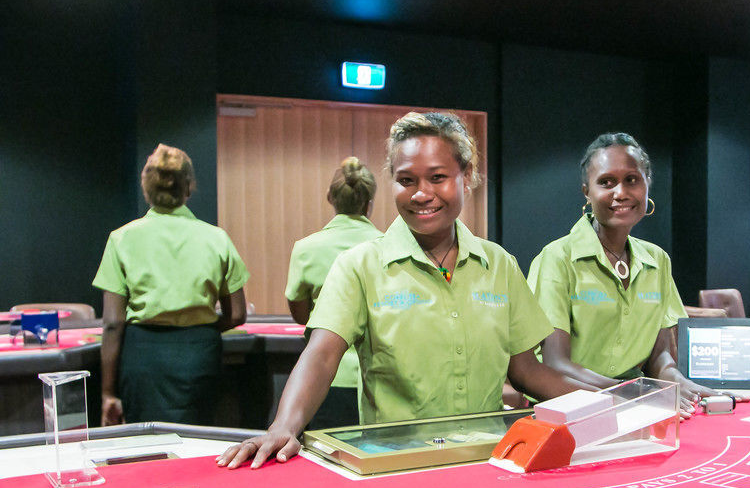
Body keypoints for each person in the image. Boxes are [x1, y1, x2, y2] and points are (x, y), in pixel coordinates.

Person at [219, 112, 580, 469]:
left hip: (484, 459)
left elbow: (526, 370)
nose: (422, 193)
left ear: (467, 176)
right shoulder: (359, 266)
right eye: (406, 180)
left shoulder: (499, 264)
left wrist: (608, 404)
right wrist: (283, 427)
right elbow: (322, 356)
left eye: (438, 178)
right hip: (392, 463)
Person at [527, 132, 716, 415]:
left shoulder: (658, 260)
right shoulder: (556, 258)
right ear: (586, 192)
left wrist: (677, 382)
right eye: (606, 182)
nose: (620, 193)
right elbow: (554, 362)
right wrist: (631, 394)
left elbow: (661, 356)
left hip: (636, 405)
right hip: (568, 408)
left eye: (632, 180)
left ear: (647, 185)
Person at [94, 143, 250, 426]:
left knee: (145, 449)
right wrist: (200, 327)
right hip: (200, 354)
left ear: (146, 188)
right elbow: (237, 314)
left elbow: (113, 323)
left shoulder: (121, 239)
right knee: (199, 444)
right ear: (188, 187)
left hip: (143, 357)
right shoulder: (217, 238)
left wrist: (107, 393)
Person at [285, 156, 384, 428]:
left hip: (325, 378)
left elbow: (302, 315)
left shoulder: (305, 248)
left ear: (330, 197)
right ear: (369, 202)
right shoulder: (387, 249)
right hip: (377, 378)